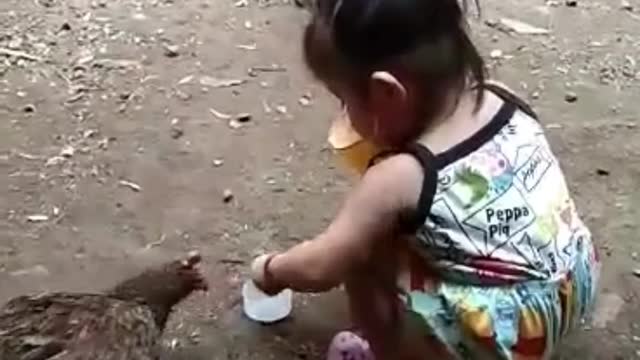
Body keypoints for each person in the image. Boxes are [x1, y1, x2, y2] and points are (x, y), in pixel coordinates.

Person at [250, 0, 601, 358]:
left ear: (387, 94)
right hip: (573, 281)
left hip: (509, 333)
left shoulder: (398, 177)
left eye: (344, 99)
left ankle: (386, 350)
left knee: (363, 253)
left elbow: (322, 267)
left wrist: (270, 271)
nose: (344, 114)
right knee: (414, 224)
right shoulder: (501, 99)